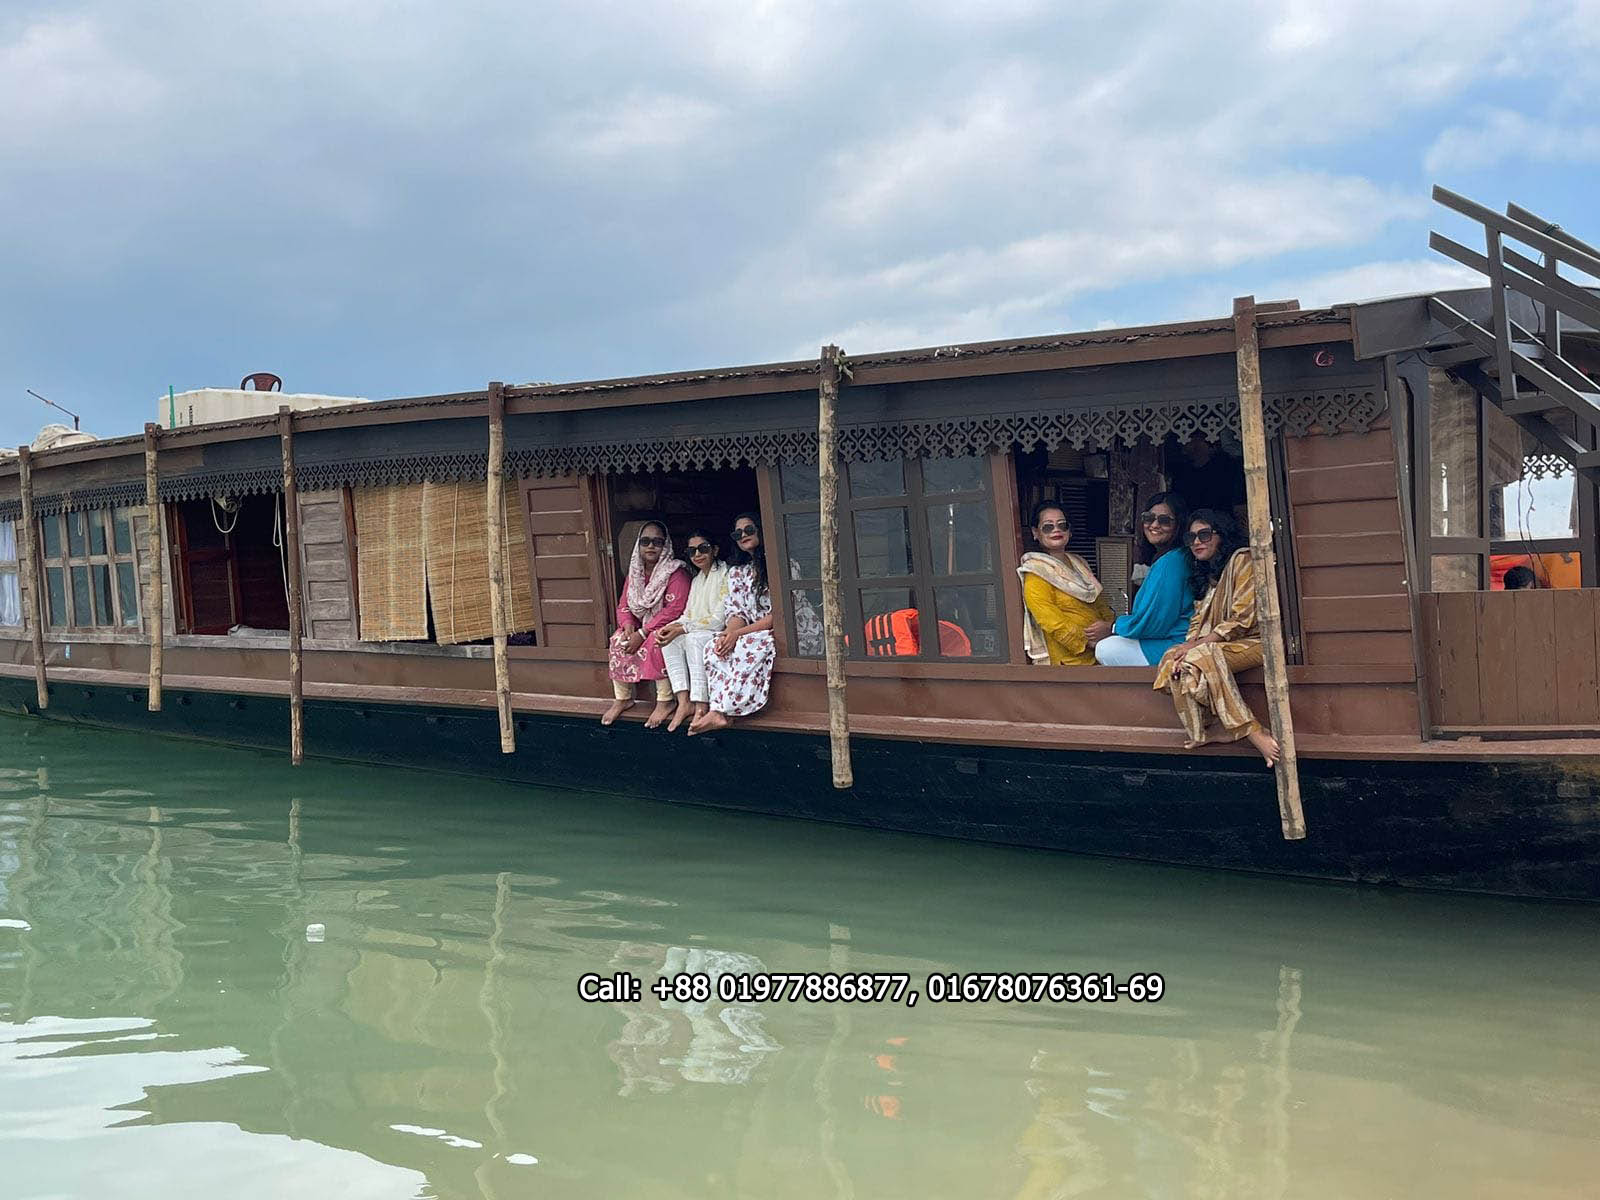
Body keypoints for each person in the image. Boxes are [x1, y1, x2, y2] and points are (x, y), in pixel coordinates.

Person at [1153, 510, 1281, 766]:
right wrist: (1186, 648)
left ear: (1221, 536)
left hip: (1256, 642)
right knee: (1172, 658)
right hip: (1219, 646)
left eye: (1204, 535)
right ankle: (1210, 729)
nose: (1196, 542)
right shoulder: (1206, 573)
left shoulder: (1243, 559)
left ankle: (1252, 730)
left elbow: (1243, 619)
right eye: (1191, 537)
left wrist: (1197, 645)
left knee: (1201, 654)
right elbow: (1197, 622)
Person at [690, 513, 776, 734]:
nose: (743, 535)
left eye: (749, 530)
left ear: (761, 529)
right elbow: (737, 612)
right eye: (738, 534)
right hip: (750, 629)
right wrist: (729, 634)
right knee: (715, 646)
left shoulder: (779, 564)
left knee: (747, 645)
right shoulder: (737, 571)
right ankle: (717, 709)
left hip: (780, 629)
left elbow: (777, 616)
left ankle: (724, 712)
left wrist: (738, 635)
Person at [602, 522, 690, 727]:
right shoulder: (635, 574)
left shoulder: (676, 573)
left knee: (657, 640)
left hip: (671, 625)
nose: (651, 546)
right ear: (638, 545)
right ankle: (623, 698)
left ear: (665, 546)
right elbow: (623, 605)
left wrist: (643, 632)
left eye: (657, 542)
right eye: (645, 541)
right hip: (642, 626)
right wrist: (628, 626)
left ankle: (665, 700)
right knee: (618, 639)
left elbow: (675, 609)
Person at [1090, 491, 1193, 666]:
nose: (1154, 525)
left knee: (1105, 648)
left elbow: (1154, 624)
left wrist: (1112, 627)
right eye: (1148, 518)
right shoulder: (1175, 557)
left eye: (1164, 520)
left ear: (1179, 525)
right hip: (1168, 639)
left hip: (1175, 644)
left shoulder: (1172, 561)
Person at [1018, 502, 1114, 666]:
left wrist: (1109, 627)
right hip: (1068, 661)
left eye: (1062, 525)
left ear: (1069, 531)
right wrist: (1087, 642)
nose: (1056, 530)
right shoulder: (1035, 570)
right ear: (1035, 532)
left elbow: (1099, 602)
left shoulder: (1080, 563)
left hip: (1103, 652)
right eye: (1048, 527)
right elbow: (1049, 619)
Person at [656, 530, 731, 732]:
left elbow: (718, 620)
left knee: (692, 640)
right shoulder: (697, 580)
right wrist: (670, 628)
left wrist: (682, 629)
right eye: (692, 551)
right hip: (700, 630)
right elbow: (688, 615)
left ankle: (701, 704)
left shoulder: (726, 574)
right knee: (669, 641)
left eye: (703, 549)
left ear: (715, 550)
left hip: (721, 633)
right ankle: (684, 701)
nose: (697, 554)